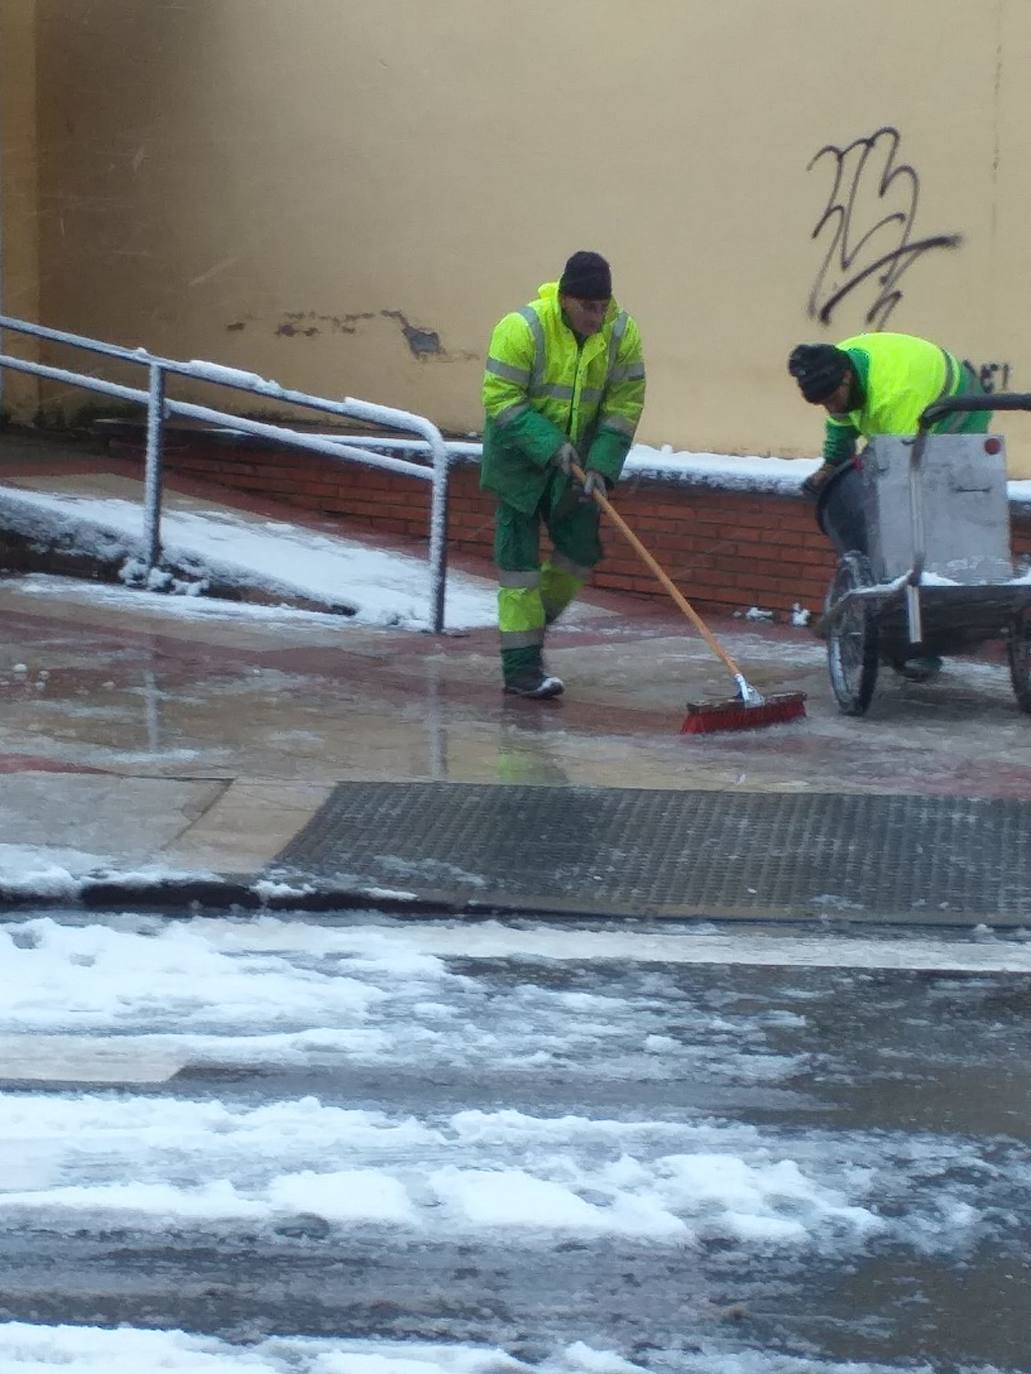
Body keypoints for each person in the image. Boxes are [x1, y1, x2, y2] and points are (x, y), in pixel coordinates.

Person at [480, 251, 645, 698]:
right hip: (519, 461)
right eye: (588, 307)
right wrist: (549, 445)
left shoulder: (620, 333)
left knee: (579, 550)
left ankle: (535, 626)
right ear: (566, 299)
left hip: (579, 463)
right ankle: (521, 670)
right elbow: (502, 399)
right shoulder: (522, 329)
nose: (597, 316)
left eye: (603, 307)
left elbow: (623, 406)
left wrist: (603, 466)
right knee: (518, 571)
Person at [788, 331, 993, 681]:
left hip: (958, 412)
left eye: (833, 397)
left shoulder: (895, 396)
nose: (832, 406)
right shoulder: (838, 368)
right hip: (918, 405)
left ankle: (923, 643)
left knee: (917, 516)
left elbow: (901, 466)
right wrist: (828, 466)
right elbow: (841, 425)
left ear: (847, 378)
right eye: (823, 402)